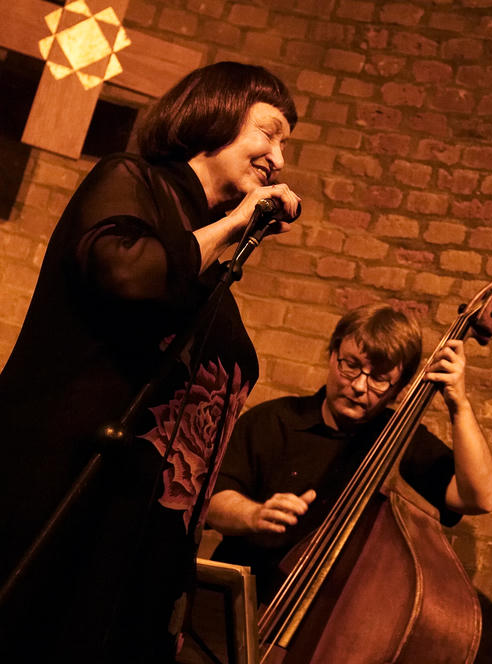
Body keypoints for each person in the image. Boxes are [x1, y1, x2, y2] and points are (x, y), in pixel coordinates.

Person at [0, 62, 300, 662]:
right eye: (268, 133)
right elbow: (130, 272)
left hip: (143, 541)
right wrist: (236, 223)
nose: (279, 158)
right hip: (62, 501)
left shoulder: (208, 256)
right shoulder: (130, 180)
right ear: (216, 112)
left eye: (286, 146)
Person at [206, 303, 492, 605]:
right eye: (350, 365)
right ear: (332, 354)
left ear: (399, 389)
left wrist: (459, 405)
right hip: (237, 605)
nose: (359, 385)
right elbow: (212, 502)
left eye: (379, 378)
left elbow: (479, 498)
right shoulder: (274, 420)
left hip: (329, 618)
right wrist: (254, 514)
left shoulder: (400, 438)